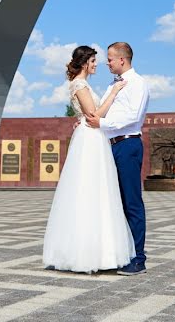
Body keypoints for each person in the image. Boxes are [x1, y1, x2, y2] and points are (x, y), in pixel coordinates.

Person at [42, 45, 135, 273]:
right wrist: (113, 94)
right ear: (85, 63)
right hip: (90, 139)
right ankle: (86, 254)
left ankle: (102, 252)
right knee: (89, 189)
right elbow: (94, 115)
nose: (96, 65)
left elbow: (87, 116)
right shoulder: (80, 85)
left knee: (100, 191)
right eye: (93, 61)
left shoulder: (83, 84)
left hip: (94, 137)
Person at [85, 41, 150, 275]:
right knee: (114, 202)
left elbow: (133, 116)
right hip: (109, 145)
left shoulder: (137, 84)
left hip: (127, 144)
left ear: (122, 59)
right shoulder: (113, 85)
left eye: (110, 59)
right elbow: (102, 108)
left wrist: (101, 123)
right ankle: (121, 254)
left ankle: (139, 259)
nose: (107, 63)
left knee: (131, 202)